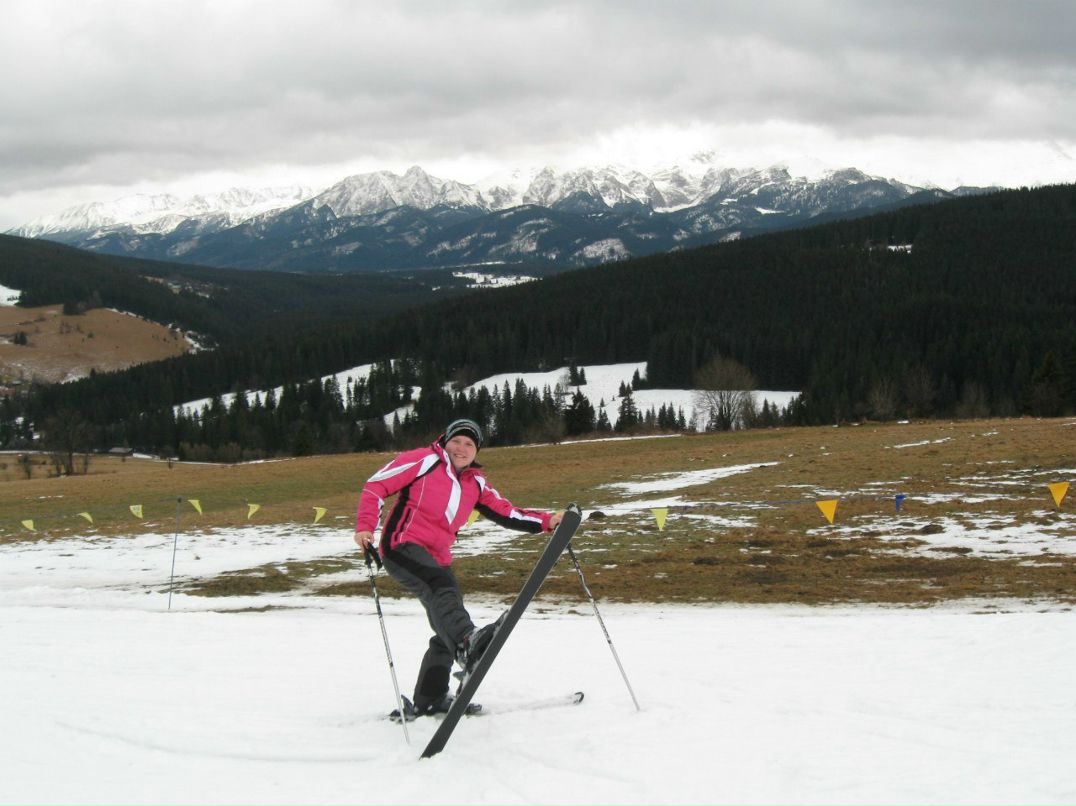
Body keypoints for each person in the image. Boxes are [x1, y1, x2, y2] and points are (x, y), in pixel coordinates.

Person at [354, 417, 563, 719]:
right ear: (446, 441)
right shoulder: (424, 460)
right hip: (402, 546)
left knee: (445, 625)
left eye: (469, 444)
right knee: (443, 590)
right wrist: (365, 527)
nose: (461, 448)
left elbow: (508, 512)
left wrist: (547, 521)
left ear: (476, 451)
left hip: (437, 557)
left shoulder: (475, 483)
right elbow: (376, 485)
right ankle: (468, 642)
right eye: (457, 441)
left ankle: (431, 696)